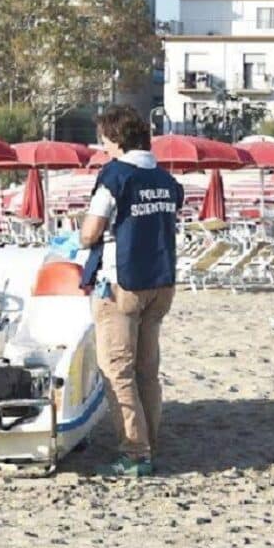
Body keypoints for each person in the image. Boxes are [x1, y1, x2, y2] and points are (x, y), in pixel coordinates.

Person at [80, 106, 183, 477]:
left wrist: (79, 237)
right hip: (161, 282)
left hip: (122, 283)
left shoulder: (115, 175)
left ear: (117, 139)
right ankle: (150, 442)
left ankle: (135, 453)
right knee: (147, 370)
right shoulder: (166, 179)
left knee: (117, 370)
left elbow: (91, 232)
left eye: (105, 139)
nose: (102, 146)